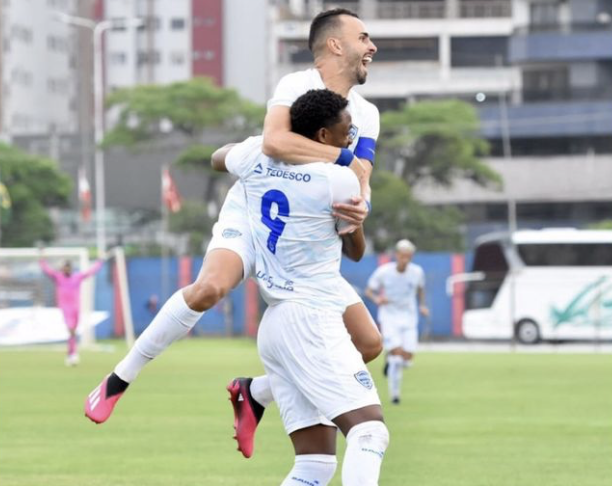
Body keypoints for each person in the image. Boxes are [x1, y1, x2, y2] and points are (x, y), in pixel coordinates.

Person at [83, 8, 382, 436]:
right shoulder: (297, 85)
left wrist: (359, 206)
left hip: (306, 232)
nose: (372, 47)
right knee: (209, 289)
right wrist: (343, 158)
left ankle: (256, 393)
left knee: (368, 345)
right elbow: (277, 143)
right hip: (254, 209)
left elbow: (363, 179)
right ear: (335, 44)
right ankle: (120, 378)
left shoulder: (366, 114)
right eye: (364, 37)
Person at [220, 88, 388, 486]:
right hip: (312, 316)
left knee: (315, 465)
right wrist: (359, 218)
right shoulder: (338, 178)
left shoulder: (258, 155)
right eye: (346, 131)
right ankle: (259, 391)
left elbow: (217, 158)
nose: (350, 139)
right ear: (324, 137)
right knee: (369, 432)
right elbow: (356, 251)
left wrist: (252, 149)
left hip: (277, 319)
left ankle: (258, 391)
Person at [365, 239, 429, 404]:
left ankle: (390, 359)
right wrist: (377, 299)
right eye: (402, 256)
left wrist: (422, 305)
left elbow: (421, 289)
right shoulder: (384, 272)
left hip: (409, 317)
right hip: (389, 317)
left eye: (408, 256)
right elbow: (369, 290)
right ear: (396, 255)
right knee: (397, 358)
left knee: (406, 360)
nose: (405, 259)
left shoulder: (417, 272)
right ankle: (395, 396)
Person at [39, 254, 104, 366]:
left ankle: (71, 353)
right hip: (65, 308)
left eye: (67, 267)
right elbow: (47, 270)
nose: (65, 269)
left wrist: (100, 261)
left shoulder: (77, 277)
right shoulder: (58, 277)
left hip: (76, 307)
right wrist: (42, 259)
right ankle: (72, 354)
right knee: (71, 330)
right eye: (64, 267)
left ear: (70, 268)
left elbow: (90, 272)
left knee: (73, 331)